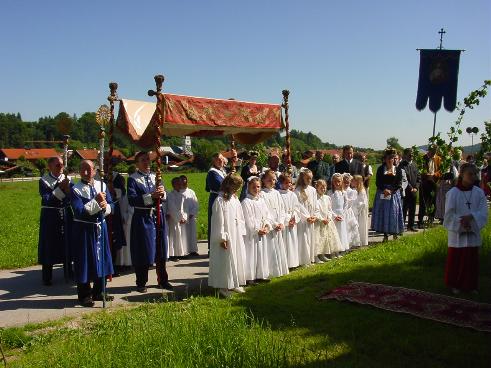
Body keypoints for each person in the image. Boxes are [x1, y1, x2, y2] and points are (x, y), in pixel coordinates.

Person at [70, 160, 114, 307]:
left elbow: (112, 205)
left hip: (100, 228)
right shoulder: (75, 189)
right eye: (83, 169)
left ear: (95, 171)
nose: (86, 172)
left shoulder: (101, 186)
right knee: (85, 261)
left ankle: (99, 291)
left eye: (89, 169)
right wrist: (96, 202)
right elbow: (79, 211)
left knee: (102, 259)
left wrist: (105, 206)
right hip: (84, 229)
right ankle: (84, 295)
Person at [127, 151, 172, 293]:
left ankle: (163, 279)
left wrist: (162, 193)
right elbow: (132, 200)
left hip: (157, 215)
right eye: (143, 160)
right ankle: (141, 282)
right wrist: (151, 196)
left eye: (148, 159)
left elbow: (164, 195)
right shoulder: (133, 179)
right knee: (143, 250)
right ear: (137, 163)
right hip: (143, 217)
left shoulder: (156, 177)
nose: (146, 162)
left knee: (160, 248)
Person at [443, 163, 488, 294]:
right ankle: (454, 284)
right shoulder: (453, 193)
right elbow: (449, 214)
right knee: (456, 259)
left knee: (471, 260)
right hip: (458, 232)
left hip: (473, 229)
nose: (473, 177)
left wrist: (472, 217)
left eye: (474, 174)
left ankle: (471, 285)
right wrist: (462, 222)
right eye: (470, 174)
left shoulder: (479, 193)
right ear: (462, 175)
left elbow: (483, 212)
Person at [208, 174, 247, 298]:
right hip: (226, 234)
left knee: (236, 257)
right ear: (229, 185)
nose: (238, 190)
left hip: (235, 233)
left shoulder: (234, 199)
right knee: (225, 260)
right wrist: (222, 237)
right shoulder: (220, 200)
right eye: (236, 187)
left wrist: (241, 231)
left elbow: (240, 216)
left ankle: (234, 282)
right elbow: (219, 221)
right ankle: (223, 286)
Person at [38, 156, 72, 285]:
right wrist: (59, 188)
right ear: (50, 166)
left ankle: (69, 271)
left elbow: (71, 198)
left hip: (65, 213)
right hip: (50, 215)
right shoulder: (44, 181)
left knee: (67, 242)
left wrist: (68, 190)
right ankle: (47, 276)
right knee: (49, 244)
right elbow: (47, 199)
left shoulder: (67, 179)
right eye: (57, 165)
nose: (61, 167)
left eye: (62, 165)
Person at [241, 176, 271, 283]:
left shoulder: (261, 201)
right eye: (254, 187)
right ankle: (251, 277)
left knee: (261, 253)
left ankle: (261, 274)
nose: (256, 189)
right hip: (252, 234)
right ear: (248, 187)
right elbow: (248, 219)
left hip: (262, 232)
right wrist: (257, 229)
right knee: (252, 254)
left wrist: (267, 226)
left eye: (258, 187)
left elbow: (267, 215)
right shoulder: (246, 202)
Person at [371, 148, 404, 242]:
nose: (390, 160)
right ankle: (385, 235)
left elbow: (399, 183)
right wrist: (384, 189)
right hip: (382, 193)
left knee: (394, 214)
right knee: (384, 214)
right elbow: (378, 182)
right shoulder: (381, 169)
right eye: (389, 158)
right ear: (385, 159)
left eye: (392, 158)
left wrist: (391, 190)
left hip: (393, 194)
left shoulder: (398, 170)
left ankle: (395, 233)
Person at [261, 170, 289, 277]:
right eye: (269, 180)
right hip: (271, 226)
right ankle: (271, 271)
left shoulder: (277, 193)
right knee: (270, 248)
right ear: (263, 180)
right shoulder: (262, 194)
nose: (272, 182)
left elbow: (282, 209)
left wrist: (281, 222)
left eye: (273, 179)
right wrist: (274, 224)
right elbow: (265, 212)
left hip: (278, 225)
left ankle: (280, 269)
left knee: (278, 247)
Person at [295, 169, 320, 265]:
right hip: (303, 220)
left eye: (311, 178)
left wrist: (314, 216)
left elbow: (315, 204)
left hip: (311, 219)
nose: (309, 180)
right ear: (302, 178)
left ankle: (310, 259)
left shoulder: (313, 190)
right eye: (307, 178)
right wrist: (306, 217)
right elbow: (298, 206)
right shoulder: (297, 191)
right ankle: (303, 261)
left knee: (310, 239)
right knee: (303, 239)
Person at [314, 179, 343, 260]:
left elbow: (330, 210)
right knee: (321, 239)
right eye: (321, 188)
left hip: (328, 221)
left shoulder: (327, 198)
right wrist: (322, 219)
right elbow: (316, 211)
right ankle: (321, 255)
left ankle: (334, 253)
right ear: (317, 188)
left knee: (331, 237)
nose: (323, 189)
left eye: (324, 187)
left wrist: (329, 218)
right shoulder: (315, 199)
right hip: (320, 222)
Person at [278, 174, 300, 269]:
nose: (288, 184)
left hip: (292, 221)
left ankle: (293, 263)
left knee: (292, 242)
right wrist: (287, 220)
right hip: (285, 222)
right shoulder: (278, 194)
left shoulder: (293, 194)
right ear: (281, 183)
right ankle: (285, 263)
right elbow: (280, 210)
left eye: (290, 182)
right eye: (286, 182)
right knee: (285, 243)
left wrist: (294, 217)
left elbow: (297, 207)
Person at [206, 153, 226, 250]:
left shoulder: (222, 171)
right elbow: (219, 185)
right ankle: (213, 247)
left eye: (222, 159)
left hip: (224, 198)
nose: (221, 161)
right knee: (216, 221)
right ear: (214, 160)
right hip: (216, 198)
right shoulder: (212, 172)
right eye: (218, 159)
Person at [418, 146, 441, 227]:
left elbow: (440, 170)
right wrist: (425, 174)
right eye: (432, 151)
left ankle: (431, 219)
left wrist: (435, 175)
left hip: (434, 182)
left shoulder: (438, 158)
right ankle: (420, 221)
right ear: (429, 150)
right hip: (424, 182)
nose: (433, 153)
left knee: (433, 202)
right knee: (423, 202)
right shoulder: (422, 158)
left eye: (435, 151)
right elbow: (419, 169)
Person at [399, 148, 421, 232]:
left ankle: (410, 226)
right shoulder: (402, 165)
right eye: (409, 154)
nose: (411, 155)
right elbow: (403, 179)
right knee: (404, 209)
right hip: (406, 191)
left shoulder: (415, 165)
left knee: (412, 209)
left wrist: (416, 188)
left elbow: (419, 178)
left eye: (412, 154)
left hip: (414, 191)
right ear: (405, 155)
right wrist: (411, 188)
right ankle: (401, 227)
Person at [166, 177, 188, 260]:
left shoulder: (182, 195)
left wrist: (184, 217)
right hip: (173, 218)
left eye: (180, 183)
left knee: (180, 236)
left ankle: (180, 253)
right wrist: (178, 218)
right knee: (174, 235)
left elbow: (185, 207)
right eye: (178, 184)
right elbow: (172, 208)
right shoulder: (171, 195)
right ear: (173, 185)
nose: (180, 185)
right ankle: (173, 254)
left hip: (180, 218)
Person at [329, 173, 349, 254]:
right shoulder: (330, 193)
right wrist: (334, 216)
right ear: (332, 182)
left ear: (342, 182)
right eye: (335, 181)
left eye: (339, 181)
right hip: (333, 215)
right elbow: (329, 206)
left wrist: (342, 214)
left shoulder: (344, 193)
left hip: (341, 215)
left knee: (342, 231)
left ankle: (342, 248)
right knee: (335, 232)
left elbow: (346, 204)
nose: (337, 183)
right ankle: (335, 250)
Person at [180, 175, 199, 256]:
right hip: (182, 217)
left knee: (192, 234)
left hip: (191, 216)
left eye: (185, 181)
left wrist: (192, 213)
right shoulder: (178, 192)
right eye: (182, 181)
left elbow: (195, 203)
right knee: (183, 234)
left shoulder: (191, 192)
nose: (184, 183)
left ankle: (193, 250)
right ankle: (184, 250)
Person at [342, 173, 361, 248]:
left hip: (348, 211)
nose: (346, 184)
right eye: (345, 182)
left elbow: (350, 203)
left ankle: (350, 244)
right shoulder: (340, 191)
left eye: (348, 182)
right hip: (341, 212)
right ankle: (344, 244)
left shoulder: (353, 191)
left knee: (349, 226)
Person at [352, 175, 369, 246]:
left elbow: (362, 203)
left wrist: (354, 208)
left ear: (357, 182)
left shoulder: (362, 190)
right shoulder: (354, 190)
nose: (352, 182)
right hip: (356, 210)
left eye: (353, 180)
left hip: (361, 212)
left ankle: (361, 241)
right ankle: (355, 241)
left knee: (361, 226)